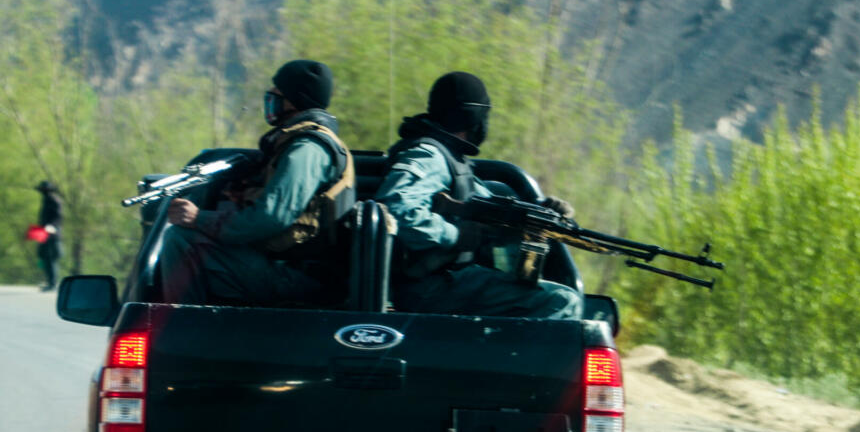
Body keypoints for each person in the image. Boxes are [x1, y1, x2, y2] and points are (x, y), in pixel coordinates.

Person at [374, 71, 582, 319]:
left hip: (444, 284)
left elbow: (490, 204)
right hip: (429, 287)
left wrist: (543, 211)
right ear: (473, 116)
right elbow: (396, 209)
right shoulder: (430, 155)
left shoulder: (452, 159)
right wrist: (454, 235)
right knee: (561, 301)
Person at [160, 59, 354, 305]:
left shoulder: (307, 149)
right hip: (282, 266)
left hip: (297, 276)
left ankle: (181, 332)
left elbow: (271, 217)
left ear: (295, 99)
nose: (271, 96)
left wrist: (199, 219)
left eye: (278, 91)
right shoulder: (294, 143)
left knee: (182, 240)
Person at [34, 180, 64, 292]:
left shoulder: (54, 201)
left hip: (52, 235)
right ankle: (49, 280)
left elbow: (58, 217)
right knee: (44, 257)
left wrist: (51, 226)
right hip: (43, 233)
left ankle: (52, 282)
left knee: (51, 258)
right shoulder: (45, 200)